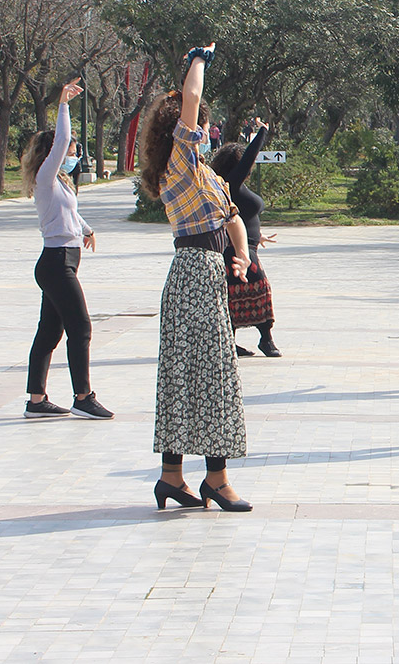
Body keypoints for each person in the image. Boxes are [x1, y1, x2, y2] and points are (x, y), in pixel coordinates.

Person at [141, 44, 254, 512]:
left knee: (188, 374)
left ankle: (173, 477)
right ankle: (216, 478)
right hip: (194, 274)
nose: (207, 131)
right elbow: (191, 95)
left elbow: (232, 218)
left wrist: (243, 255)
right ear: (182, 131)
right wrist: (199, 60)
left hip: (204, 274)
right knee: (212, 376)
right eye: (202, 125)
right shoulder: (180, 164)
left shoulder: (203, 174)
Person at [18, 78, 113, 421]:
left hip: (65, 259)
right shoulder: (46, 175)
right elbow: (59, 141)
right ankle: (83, 396)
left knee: (50, 331)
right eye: (72, 152)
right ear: (53, 153)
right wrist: (63, 105)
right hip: (56, 262)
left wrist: (86, 229)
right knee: (81, 327)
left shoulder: (59, 182)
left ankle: (36, 399)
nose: (74, 156)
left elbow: (70, 213)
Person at [209, 118, 282, 358]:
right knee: (257, 288)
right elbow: (250, 156)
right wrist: (262, 132)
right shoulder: (230, 184)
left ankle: (251, 340)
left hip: (250, 246)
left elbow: (245, 215)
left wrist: (258, 235)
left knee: (239, 293)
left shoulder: (234, 189)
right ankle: (265, 340)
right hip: (236, 250)